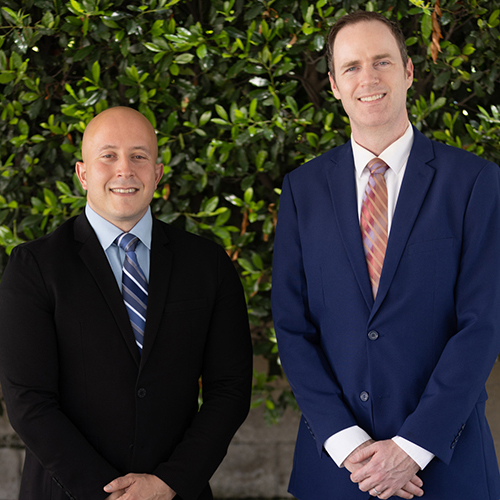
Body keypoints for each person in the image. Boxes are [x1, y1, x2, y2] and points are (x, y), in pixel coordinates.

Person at [271, 10, 500, 500]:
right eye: (352, 67)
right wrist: (348, 442)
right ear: (334, 84)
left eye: (382, 62)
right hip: (337, 471)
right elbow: (292, 326)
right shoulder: (301, 191)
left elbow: (483, 323)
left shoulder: (474, 182)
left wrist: (413, 447)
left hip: (446, 468)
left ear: (409, 71)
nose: (368, 79)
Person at [0, 106, 253, 500]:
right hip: (68, 492)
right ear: (83, 173)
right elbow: (28, 399)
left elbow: (231, 388)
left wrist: (170, 482)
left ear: (158, 172)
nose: (125, 169)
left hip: (175, 491)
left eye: (139, 156)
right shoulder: (35, 267)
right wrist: (109, 494)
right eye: (108, 155)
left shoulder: (207, 264)